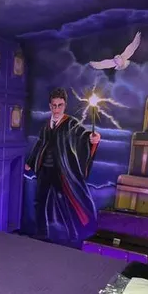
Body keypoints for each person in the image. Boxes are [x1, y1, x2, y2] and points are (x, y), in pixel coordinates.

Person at [25, 87, 101, 244]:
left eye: (60, 105)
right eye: (54, 105)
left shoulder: (71, 123)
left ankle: (73, 234)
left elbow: (82, 134)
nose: (57, 109)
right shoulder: (47, 125)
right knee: (39, 201)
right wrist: (30, 162)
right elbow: (40, 144)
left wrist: (92, 138)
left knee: (65, 203)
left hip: (61, 171)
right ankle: (42, 233)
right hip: (44, 169)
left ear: (65, 105)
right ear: (50, 106)